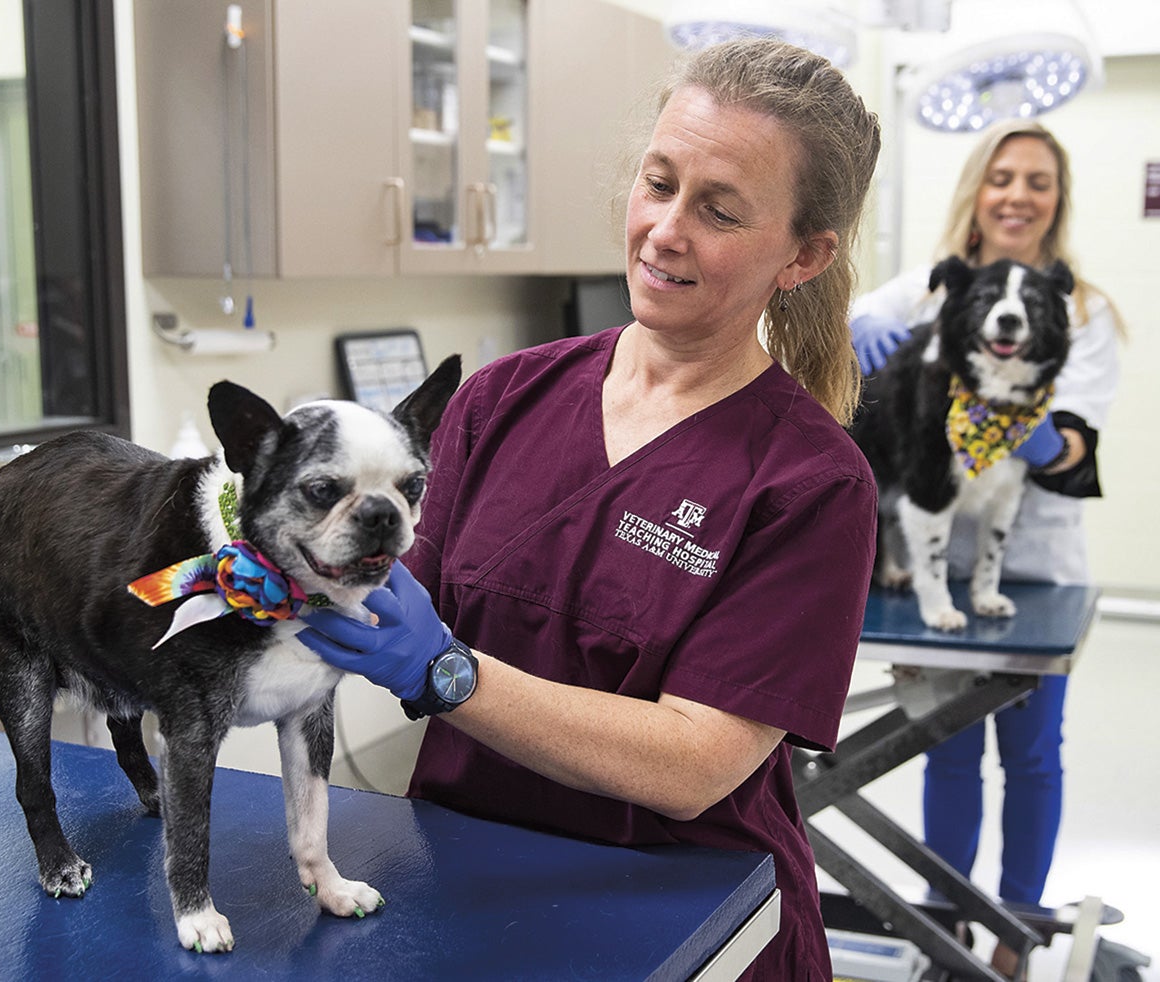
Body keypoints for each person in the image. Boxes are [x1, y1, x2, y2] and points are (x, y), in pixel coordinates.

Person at [298, 38, 882, 979]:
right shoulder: (502, 400)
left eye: (720, 210)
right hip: (468, 890)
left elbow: (694, 765)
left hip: (688, 921)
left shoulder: (812, 484)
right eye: (658, 184)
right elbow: (380, 593)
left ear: (804, 255)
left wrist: (450, 674)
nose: (665, 230)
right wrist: (262, 559)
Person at [850, 118, 1122, 978]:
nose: (1019, 194)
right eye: (1004, 176)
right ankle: (946, 924)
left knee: (1032, 754)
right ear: (981, 186)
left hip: (1033, 571)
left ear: (1056, 200)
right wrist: (859, 336)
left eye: (1039, 181)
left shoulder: (1083, 311)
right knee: (948, 748)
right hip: (933, 570)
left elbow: (1076, 451)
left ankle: (1018, 929)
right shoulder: (932, 292)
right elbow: (847, 317)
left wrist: (1035, 428)